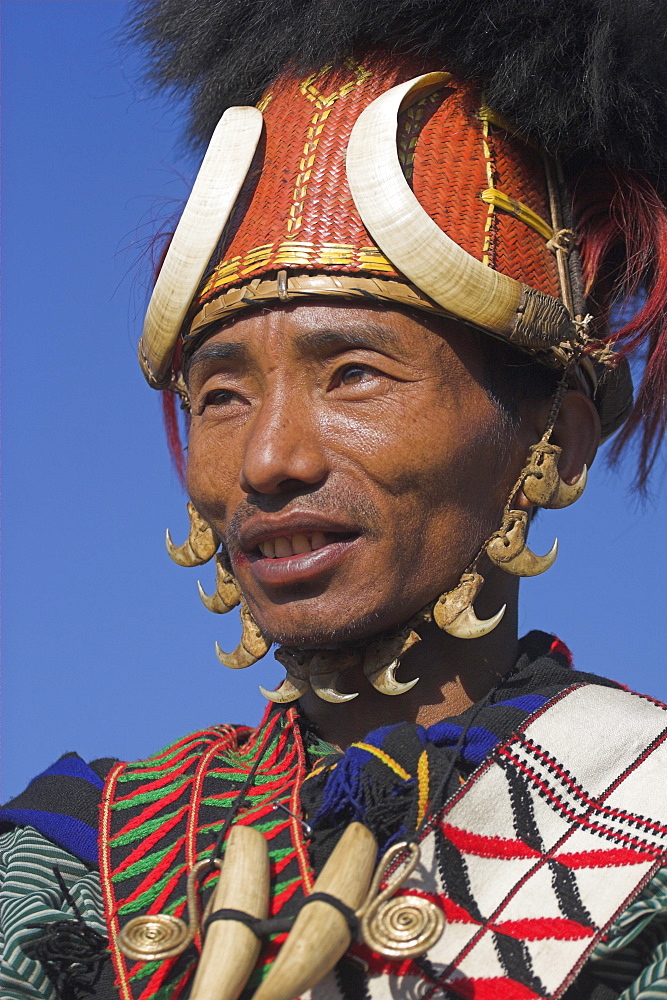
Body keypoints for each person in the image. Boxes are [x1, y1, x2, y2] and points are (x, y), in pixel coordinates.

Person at [2, 2, 666, 999]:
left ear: (554, 441)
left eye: (353, 374)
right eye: (220, 394)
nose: (268, 458)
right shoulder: (69, 861)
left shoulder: (640, 832)